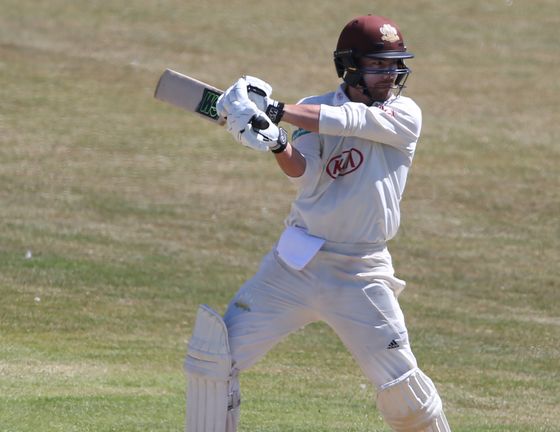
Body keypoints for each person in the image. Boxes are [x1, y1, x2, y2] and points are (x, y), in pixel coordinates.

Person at [182, 15, 451, 432]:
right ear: (351, 67)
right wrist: (275, 140)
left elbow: (350, 122)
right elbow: (305, 174)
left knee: (406, 392)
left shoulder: (404, 114)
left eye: (394, 64)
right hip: (295, 264)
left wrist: (275, 110)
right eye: (379, 65)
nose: (390, 74)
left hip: (361, 272)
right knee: (212, 360)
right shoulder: (315, 106)